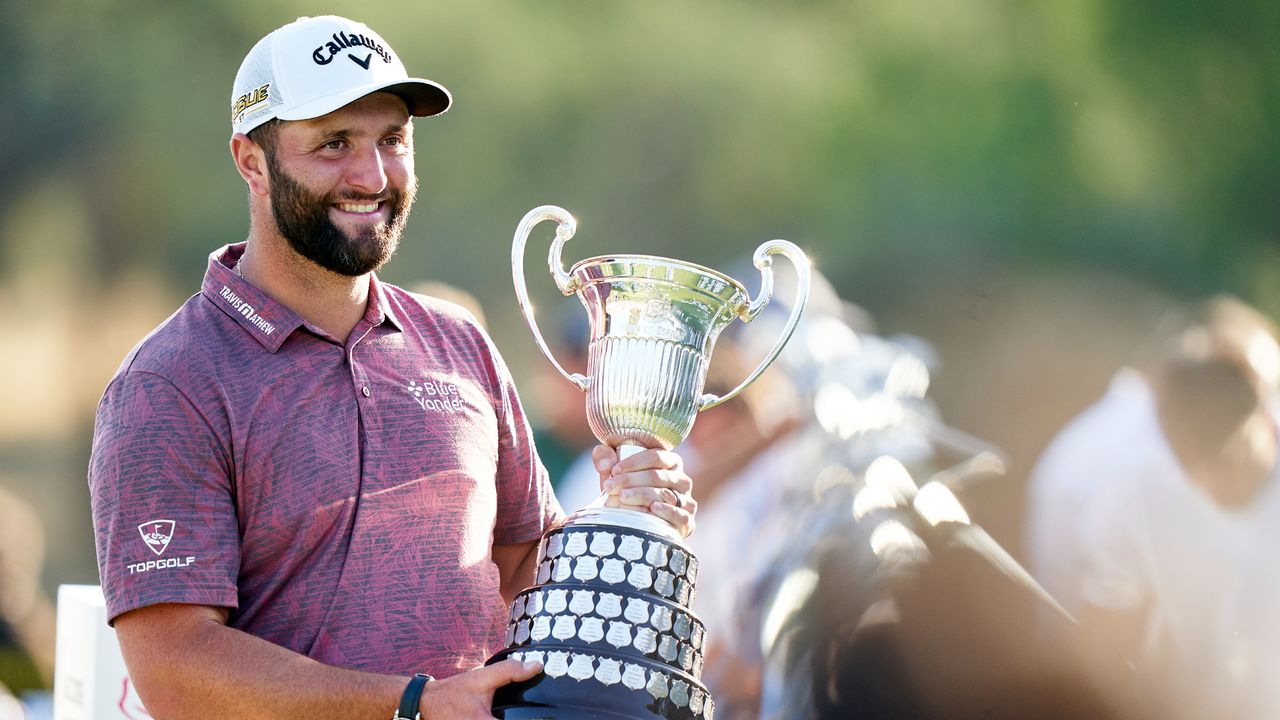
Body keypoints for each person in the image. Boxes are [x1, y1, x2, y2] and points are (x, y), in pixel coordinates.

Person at [87, 16, 696, 720]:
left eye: (393, 140)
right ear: (251, 161)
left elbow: (526, 569)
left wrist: (623, 524)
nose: (371, 176)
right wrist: (413, 704)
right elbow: (175, 667)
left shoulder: (459, 343)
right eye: (334, 143)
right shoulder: (170, 384)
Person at [1027, 296, 1280, 719]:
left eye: (1230, 462)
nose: (1214, 488)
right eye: (1192, 469)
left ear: (1262, 412)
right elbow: (1102, 646)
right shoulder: (1135, 493)